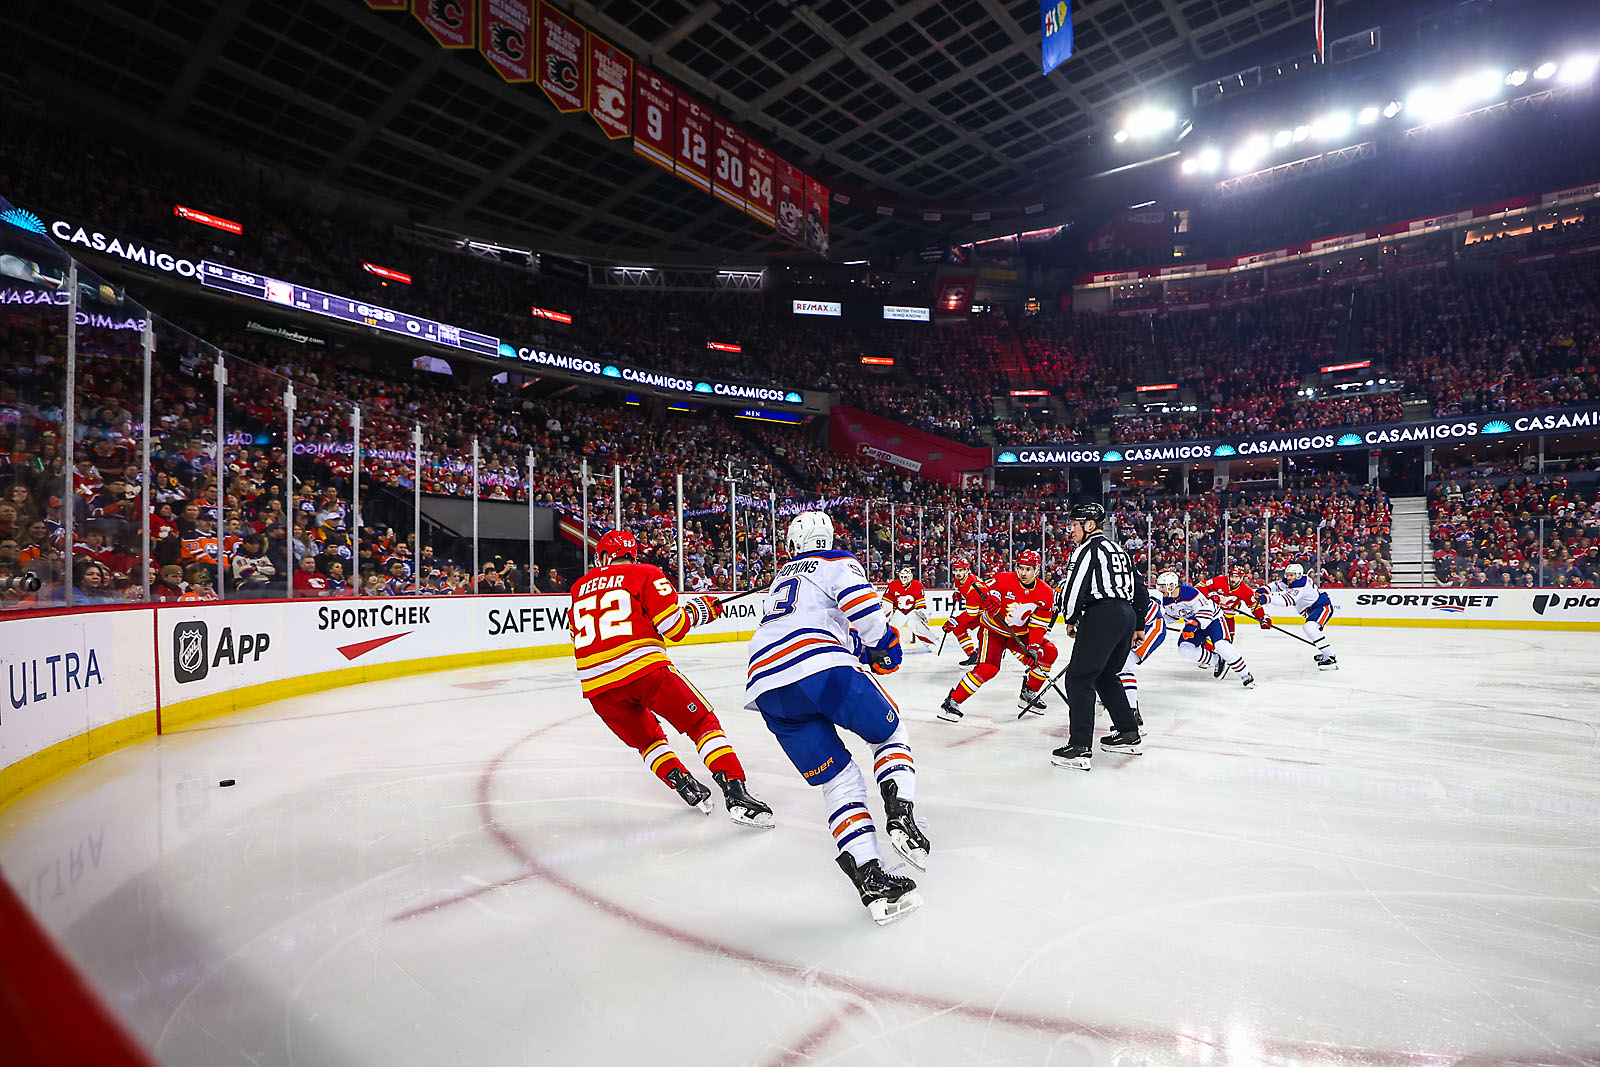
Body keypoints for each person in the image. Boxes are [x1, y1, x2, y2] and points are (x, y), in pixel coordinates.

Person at [746, 511, 928, 926]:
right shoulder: (836, 560)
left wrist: (867, 652)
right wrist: (884, 642)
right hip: (819, 666)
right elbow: (862, 610)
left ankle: (871, 879)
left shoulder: (779, 581)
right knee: (889, 734)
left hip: (767, 688)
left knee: (839, 779)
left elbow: (827, 628)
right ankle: (900, 814)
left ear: (793, 543)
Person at [569, 530, 772, 827]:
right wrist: (700, 611)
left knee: (648, 742)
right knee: (701, 723)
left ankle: (686, 785)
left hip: (598, 688)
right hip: (645, 670)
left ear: (603, 556)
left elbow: (576, 636)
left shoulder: (578, 588)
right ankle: (736, 792)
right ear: (632, 555)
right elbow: (673, 627)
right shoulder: (645, 573)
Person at [1049, 502, 1146, 770]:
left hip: (1102, 615)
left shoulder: (1086, 549)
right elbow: (1139, 587)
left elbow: (1074, 588)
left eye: (1074, 524)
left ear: (1089, 525)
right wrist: (1137, 623)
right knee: (1106, 675)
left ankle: (1079, 747)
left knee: (1078, 678)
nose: (1071, 530)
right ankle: (1128, 733)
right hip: (1125, 615)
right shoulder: (1120, 550)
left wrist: (1070, 619)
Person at [936, 548, 1056, 722]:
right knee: (988, 668)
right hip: (993, 631)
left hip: (1019, 635)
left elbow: (1038, 625)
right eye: (1020, 568)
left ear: (1037, 570)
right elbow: (985, 588)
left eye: (1028, 569)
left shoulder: (1045, 593)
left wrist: (1034, 647)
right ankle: (952, 701)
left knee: (1048, 652)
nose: (1023, 573)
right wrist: (993, 599)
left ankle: (1029, 692)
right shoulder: (1004, 578)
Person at [1155, 571, 1257, 689]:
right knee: (1184, 649)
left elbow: (1206, 610)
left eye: (1162, 586)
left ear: (1171, 586)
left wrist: (1193, 625)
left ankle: (1245, 675)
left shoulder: (1189, 592)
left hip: (1213, 620)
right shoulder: (1167, 600)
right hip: (1196, 626)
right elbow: (1172, 616)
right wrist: (1156, 621)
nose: (1160, 589)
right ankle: (1217, 660)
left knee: (1222, 646)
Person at [1257, 562, 1338, 669]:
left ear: (1298, 575)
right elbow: (1276, 585)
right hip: (1313, 609)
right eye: (1287, 575)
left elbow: (1286, 600)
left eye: (1291, 575)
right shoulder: (1296, 580)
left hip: (1322, 607)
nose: (1288, 577)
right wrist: (1262, 590)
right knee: (1311, 629)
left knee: (1310, 627)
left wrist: (1267, 598)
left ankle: (1330, 657)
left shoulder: (1300, 586)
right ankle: (1325, 652)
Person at [941, 556, 983, 667]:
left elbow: (971, 613)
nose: (958, 573)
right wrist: (958, 593)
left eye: (961, 570)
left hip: (987, 612)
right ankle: (973, 655)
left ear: (967, 570)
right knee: (959, 629)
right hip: (978, 610)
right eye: (956, 570)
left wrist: (953, 621)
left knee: (983, 635)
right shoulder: (958, 579)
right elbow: (959, 587)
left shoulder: (973, 586)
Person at [883, 566, 936, 652]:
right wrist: (886, 614)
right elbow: (887, 602)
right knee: (892, 629)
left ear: (910, 576)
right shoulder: (893, 585)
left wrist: (922, 612)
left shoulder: (917, 585)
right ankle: (891, 646)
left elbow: (920, 603)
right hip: (898, 612)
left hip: (912, 612)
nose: (903, 579)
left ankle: (933, 644)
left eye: (906, 577)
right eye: (902, 576)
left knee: (919, 627)